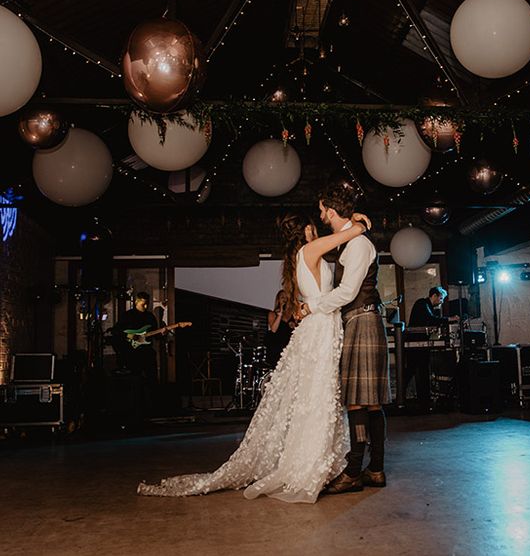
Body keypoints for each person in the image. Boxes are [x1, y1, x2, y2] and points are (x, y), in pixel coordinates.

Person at [137, 211, 371, 502]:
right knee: (318, 396)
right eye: (316, 221)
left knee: (317, 396)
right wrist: (360, 222)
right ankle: (311, 465)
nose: (320, 224)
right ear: (308, 229)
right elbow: (351, 233)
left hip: (321, 325)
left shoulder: (301, 254)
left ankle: (319, 461)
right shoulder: (310, 249)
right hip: (321, 327)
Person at [302, 181, 390, 494]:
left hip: (362, 320)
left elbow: (348, 291)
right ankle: (374, 469)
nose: (321, 213)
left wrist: (312, 307)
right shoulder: (349, 241)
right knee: (368, 401)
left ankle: (355, 471)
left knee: (359, 401)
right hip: (361, 320)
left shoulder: (357, 245)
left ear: (332, 210)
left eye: (323, 209)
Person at [405, 286, 459, 412]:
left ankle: (423, 400)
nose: (441, 301)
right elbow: (430, 320)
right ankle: (419, 401)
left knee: (418, 371)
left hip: (419, 344)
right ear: (434, 295)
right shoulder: (422, 304)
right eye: (441, 298)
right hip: (416, 344)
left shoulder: (426, 306)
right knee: (414, 371)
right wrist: (449, 319)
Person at [113, 292, 158, 384]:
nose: (146, 306)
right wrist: (130, 335)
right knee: (135, 380)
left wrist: (162, 333)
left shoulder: (150, 317)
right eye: (143, 304)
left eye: (147, 304)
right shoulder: (127, 315)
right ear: (136, 302)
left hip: (147, 352)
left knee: (152, 379)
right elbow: (116, 331)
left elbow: (156, 335)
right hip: (132, 353)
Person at [265, 290, 294, 369]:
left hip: (288, 350)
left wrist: (295, 325)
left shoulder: (293, 315)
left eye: (286, 298)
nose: (285, 299)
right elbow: (273, 329)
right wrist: (280, 314)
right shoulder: (272, 314)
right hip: (276, 350)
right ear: (278, 300)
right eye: (282, 297)